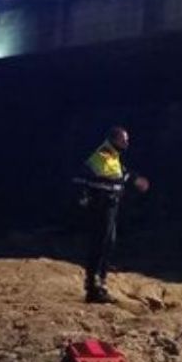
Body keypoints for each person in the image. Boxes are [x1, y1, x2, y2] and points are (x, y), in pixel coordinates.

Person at [74, 126, 149, 303]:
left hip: (110, 206)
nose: (127, 143)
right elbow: (103, 177)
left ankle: (100, 282)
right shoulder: (103, 155)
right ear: (114, 139)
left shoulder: (113, 155)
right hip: (101, 206)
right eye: (124, 140)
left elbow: (121, 173)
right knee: (100, 244)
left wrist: (134, 179)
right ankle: (94, 287)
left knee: (108, 242)